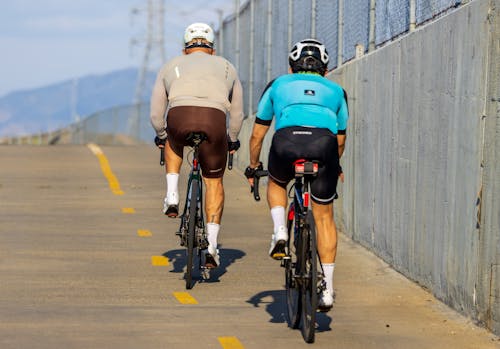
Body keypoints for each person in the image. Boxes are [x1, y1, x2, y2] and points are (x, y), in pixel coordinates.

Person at [245, 39, 348, 311]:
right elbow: (340, 139)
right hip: (324, 145)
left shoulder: (278, 85)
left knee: (277, 183)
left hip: (286, 142)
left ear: (291, 68)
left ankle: (280, 231)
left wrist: (253, 166)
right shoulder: (337, 90)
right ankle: (327, 288)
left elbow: (257, 135)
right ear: (325, 71)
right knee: (324, 217)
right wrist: (335, 165)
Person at [150, 22, 244, 268]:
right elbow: (237, 114)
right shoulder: (227, 66)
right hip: (214, 120)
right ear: (212, 49)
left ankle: (172, 195)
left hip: (180, 116)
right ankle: (211, 245)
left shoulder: (170, 65)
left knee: (171, 139)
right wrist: (232, 140)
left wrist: (161, 134)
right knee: (213, 181)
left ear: (185, 49)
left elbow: (156, 113)